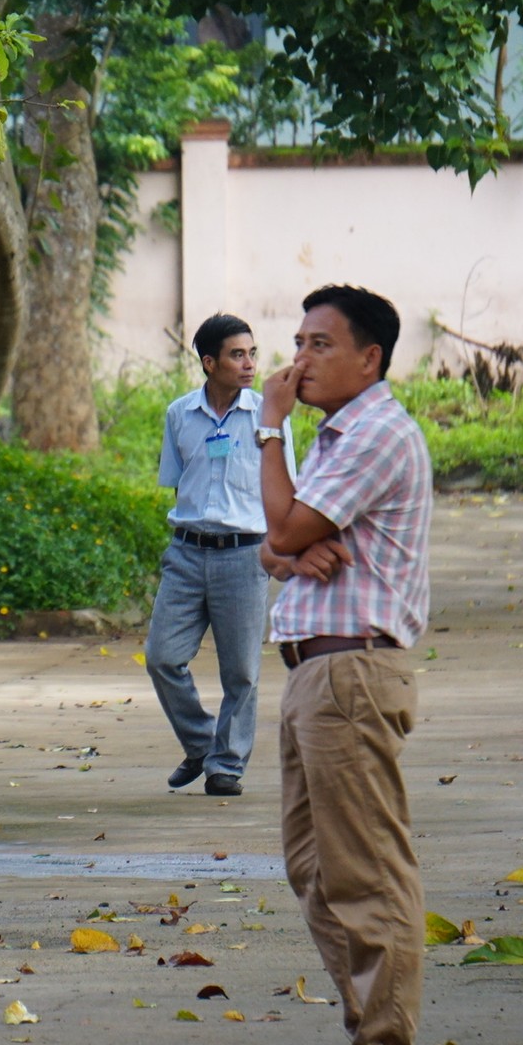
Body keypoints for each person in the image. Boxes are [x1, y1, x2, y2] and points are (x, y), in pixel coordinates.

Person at [255, 284, 433, 1045]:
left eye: (320, 344)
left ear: (372, 357)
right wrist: (289, 552)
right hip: (315, 673)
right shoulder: (334, 438)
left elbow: (287, 527)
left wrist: (268, 431)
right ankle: (372, 1042)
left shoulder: (375, 433)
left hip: (351, 672)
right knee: (315, 867)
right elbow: (275, 541)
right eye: (296, 341)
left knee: (366, 873)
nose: (299, 360)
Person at [146, 313, 294, 798]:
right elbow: (177, 484)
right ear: (209, 363)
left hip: (244, 554)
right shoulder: (179, 414)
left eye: (252, 352)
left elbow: (284, 490)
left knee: (242, 671)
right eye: (237, 354)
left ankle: (225, 765)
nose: (249, 363)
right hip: (187, 553)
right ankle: (201, 742)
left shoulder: (269, 421)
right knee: (162, 657)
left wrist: (280, 548)